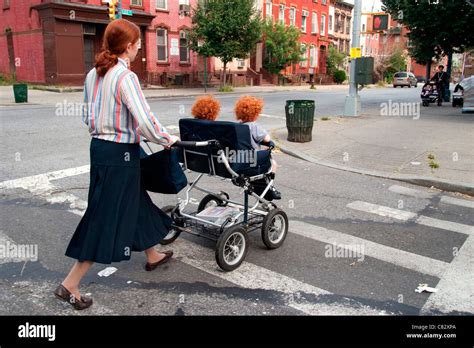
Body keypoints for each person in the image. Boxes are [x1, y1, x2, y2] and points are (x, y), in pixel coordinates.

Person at [54, 19, 179, 310]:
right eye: (137, 43)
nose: (138, 48)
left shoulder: (92, 75)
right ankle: (70, 284)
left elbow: (88, 117)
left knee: (134, 200)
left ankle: (152, 255)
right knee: (104, 215)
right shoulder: (126, 77)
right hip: (120, 153)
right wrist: (167, 139)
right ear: (128, 46)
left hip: (100, 150)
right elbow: (145, 120)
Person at [234, 96, 281, 200]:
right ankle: (269, 186)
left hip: (239, 160)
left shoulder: (238, 127)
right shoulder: (254, 126)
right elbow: (267, 139)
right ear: (255, 113)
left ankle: (260, 185)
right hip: (252, 161)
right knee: (273, 164)